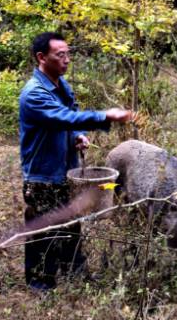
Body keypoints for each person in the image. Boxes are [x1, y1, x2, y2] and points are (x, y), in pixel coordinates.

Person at [19, 32, 132, 291]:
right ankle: (40, 283)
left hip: (65, 170)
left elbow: (68, 121)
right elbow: (62, 118)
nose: (67, 60)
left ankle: (75, 273)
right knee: (44, 230)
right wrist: (105, 116)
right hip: (43, 175)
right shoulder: (34, 94)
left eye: (68, 54)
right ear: (41, 57)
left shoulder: (60, 85)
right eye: (60, 55)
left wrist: (77, 137)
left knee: (71, 224)